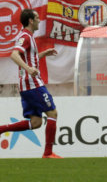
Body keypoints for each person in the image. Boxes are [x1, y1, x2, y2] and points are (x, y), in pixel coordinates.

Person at [0, 9, 62, 159]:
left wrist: (43, 54)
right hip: (32, 84)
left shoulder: (28, 37)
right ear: (30, 21)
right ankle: (48, 153)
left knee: (35, 122)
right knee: (52, 113)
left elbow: (29, 58)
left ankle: (1, 129)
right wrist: (28, 69)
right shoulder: (25, 37)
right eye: (37, 18)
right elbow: (14, 54)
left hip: (27, 85)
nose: (40, 20)